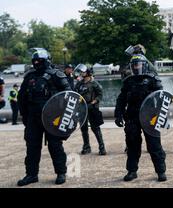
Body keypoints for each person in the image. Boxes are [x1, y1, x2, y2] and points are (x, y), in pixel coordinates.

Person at [17, 48, 72, 186]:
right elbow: (21, 98)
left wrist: (64, 118)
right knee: (32, 147)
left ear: (46, 60)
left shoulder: (56, 75)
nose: (36, 63)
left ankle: (61, 173)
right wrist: (25, 117)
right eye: (34, 61)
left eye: (39, 60)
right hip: (33, 119)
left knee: (55, 146)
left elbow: (70, 96)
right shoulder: (29, 76)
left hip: (52, 118)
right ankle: (31, 175)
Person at [114, 54, 167, 182]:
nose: (136, 66)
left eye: (138, 64)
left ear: (144, 65)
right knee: (132, 145)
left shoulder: (153, 79)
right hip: (132, 117)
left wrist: (162, 115)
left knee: (154, 145)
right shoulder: (128, 81)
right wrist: (118, 114)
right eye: (134, 65)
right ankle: (132, 171)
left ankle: (161, 171)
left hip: (150, 117)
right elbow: (121, 99)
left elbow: (162, 98)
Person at [75, 65, 107, 155]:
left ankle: (102, 147)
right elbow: (74, 93)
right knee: (83, 128)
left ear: (88, 72)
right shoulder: (79, 83)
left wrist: (95, 101)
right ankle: (86, 147)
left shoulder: (94, 83)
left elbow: (100, 94)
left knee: (96, 128)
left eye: (83, 72)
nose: (81, 73)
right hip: (82, 108)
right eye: (81, 72)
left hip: (92, 108)